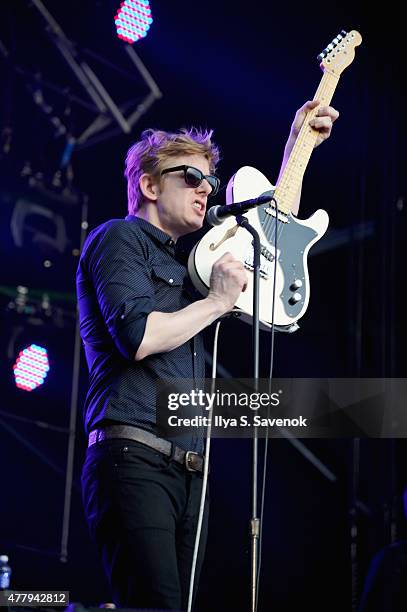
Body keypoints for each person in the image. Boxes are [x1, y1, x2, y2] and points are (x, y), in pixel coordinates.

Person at [77, 99, 339, 610]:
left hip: (187, 468)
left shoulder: (197, 262)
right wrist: (219, 301)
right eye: (192, 177)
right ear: (150, 186)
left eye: (211, 183)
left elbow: (275, 230)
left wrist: (298, 144)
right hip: (132, 456)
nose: (206, 189)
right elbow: (140, 337)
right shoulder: (119, 237)